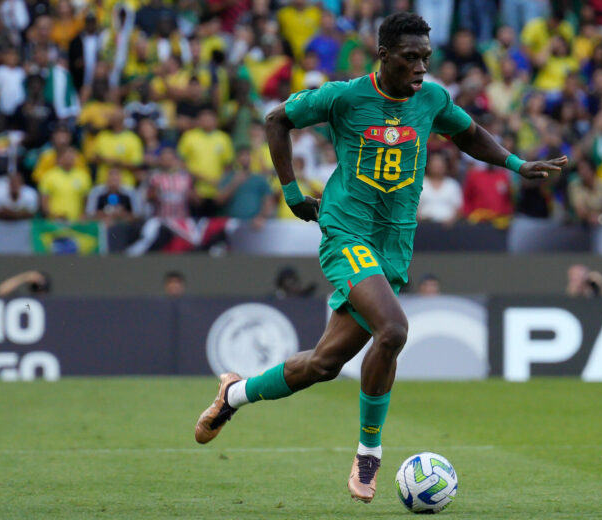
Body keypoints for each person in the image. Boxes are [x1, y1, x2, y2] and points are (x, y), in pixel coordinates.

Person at [194, 12, 566, 503]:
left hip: (394, 245)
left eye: (426, 58)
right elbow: (276, 119)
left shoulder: (431, 100)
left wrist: (517, 163)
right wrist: (292, 193)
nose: (421, 68)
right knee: (393, 329)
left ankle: (234, 394)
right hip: (347, 232)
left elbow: (469, 132)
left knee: (324, 364)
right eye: (411, 58)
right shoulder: (345, 97)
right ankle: (369, 452)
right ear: (384, 56)